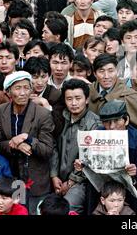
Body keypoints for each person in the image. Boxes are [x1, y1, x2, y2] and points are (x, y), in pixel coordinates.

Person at [0, 71, 54, 214]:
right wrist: (16, 144)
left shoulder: (42, 114)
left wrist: (29, 138)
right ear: (8, 92)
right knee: (14, 211)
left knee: (33, 211)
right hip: (11, 175)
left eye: (26, 88)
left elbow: (47, 150)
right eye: (17, 88)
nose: (22, 93)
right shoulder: (0, 111)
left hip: (35, 177)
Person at [50, 79, 101, 214]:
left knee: (68, 208)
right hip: (58, 178)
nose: (73, 103)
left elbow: (89, 157)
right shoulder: (61, 117)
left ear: (87, 100)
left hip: (81, 181)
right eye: (69, 99)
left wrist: (71, 181)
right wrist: (54, 175)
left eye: (78, 98)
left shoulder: (94, 123)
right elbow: (54, 147)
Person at [89, 54, 137, 129]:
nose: (106, 76)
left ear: (118, 71)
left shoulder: (130, 96)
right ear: (95, 74)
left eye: (110, 71)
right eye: (101, 71)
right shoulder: (87, 93)